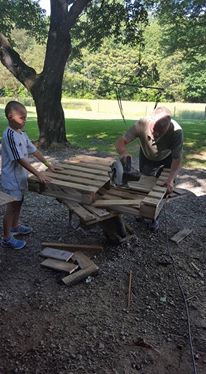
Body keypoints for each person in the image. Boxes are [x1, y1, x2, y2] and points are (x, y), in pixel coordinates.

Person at [116, 106, 183, 230]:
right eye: (154, 130)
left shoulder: (177, 132)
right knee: (144, 185)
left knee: (162, 189)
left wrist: (170, 180)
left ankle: (154, 217)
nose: (156, 135)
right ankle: (141, 212)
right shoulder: (142, 123)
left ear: (168, 125)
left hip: (167, 158)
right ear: (151, 120)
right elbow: (121, 141)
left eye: (160, 131)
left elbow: (177, 159)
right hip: (147, 156)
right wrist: (123, 153)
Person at [1, 101, 55, 250]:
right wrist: (38, 173)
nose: (25, 121)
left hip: (20, 177)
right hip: (11, 179)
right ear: (10, 116)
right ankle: (6, 238)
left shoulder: (21, 133)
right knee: (11, 208)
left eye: (25, 118)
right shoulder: (9, 135)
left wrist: (48, 164)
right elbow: (19, 159)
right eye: (22, 118)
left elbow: (34, 151)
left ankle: (15, 226)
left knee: (19, 203)